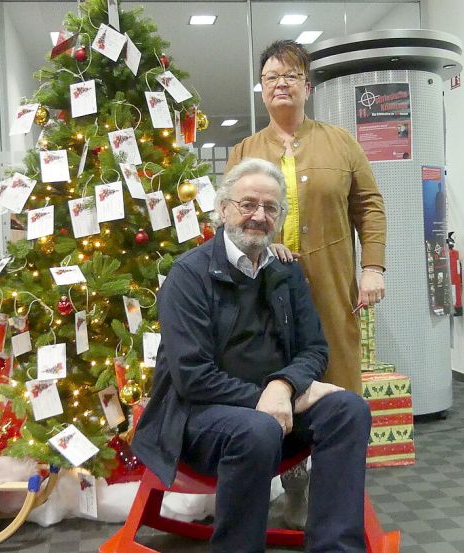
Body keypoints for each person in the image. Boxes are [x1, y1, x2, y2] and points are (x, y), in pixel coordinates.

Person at [132, 158, 372, 553]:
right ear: (223, 209)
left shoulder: (286, 271)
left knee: (349, 410)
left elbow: (315, 348)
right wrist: (272, 398)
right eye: (248, 205)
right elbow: (192, 375)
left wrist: (284, 386)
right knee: (255, 428)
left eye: (270, 208)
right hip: (197, 419)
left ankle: (336, 546)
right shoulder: (188, 276)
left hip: (278, 408)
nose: (258, 216)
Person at [225, 39, 387, 529]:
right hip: (266, 295)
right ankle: (294, 494)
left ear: (307, 86)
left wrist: (373, 267)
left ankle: (337, 500)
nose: (280, 83)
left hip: (334, 287)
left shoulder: (341, 142)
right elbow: (232, 219)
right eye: (271, 76)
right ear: (262, 88)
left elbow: (370, 207)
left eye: (290, 76)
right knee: (279, 384)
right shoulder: (245, 150)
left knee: (338, 384)